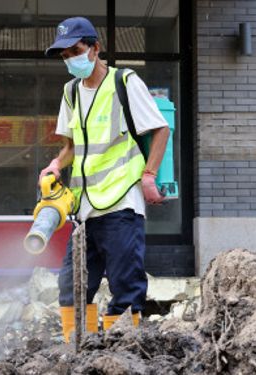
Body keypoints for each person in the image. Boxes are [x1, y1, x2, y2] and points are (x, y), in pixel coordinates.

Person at [40, 17, 170, 342]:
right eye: (65, 54)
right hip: (85, 210)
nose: (71, 59)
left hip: (122, 202)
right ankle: (77, 351)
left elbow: (160, 128)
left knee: (125, 286)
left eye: (76, 50)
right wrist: (57, 164)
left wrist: (149, 174)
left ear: (95, 48)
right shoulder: (70, 92)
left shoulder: (124, 83)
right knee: (72, 286)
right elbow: (70, 144)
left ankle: (122, 352)